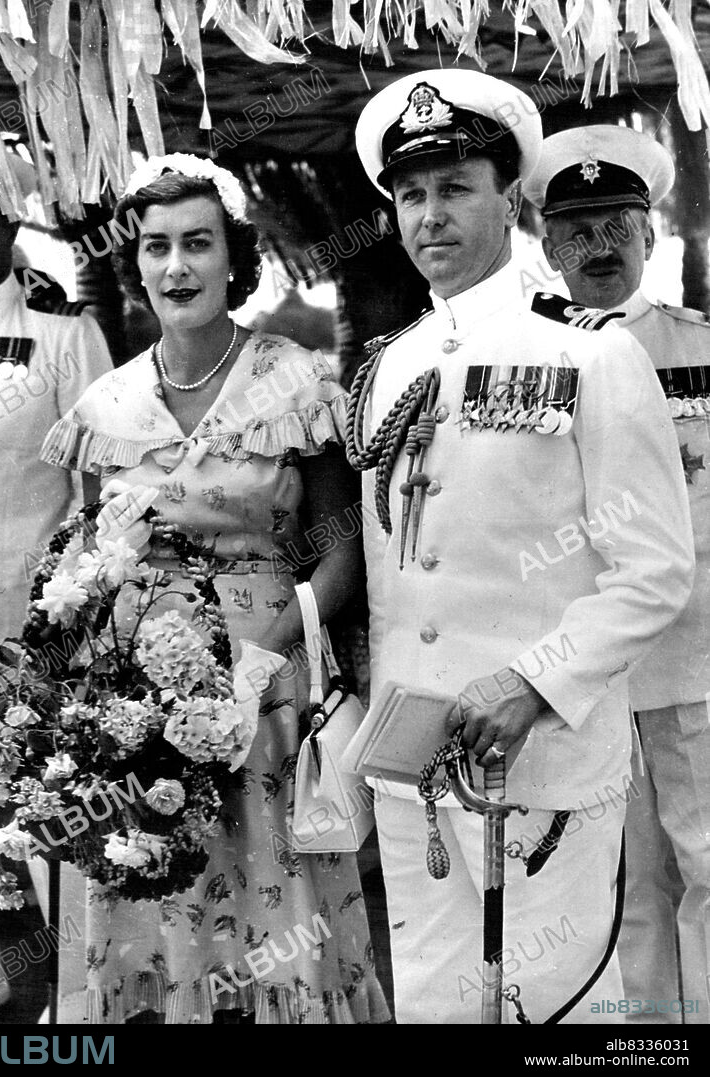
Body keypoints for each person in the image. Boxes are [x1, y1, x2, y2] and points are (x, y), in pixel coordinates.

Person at [347, 70, 695, 1024]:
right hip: (414, 756)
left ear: (508, 201)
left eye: (454, 188)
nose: (430, 215)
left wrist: (534, 681)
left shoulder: (589, 354)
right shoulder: (390, 365)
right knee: (436, 1002)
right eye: (410, 195)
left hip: (538, 752)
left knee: (555, 1008)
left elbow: (653, 567)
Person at [40, 154, 388, 1024]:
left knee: (279, 913)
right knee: (156, 891)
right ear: (137, 264)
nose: (175, 267)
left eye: (198, 244)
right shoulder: (105, 405)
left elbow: (342, 550)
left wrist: (260, 668)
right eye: (156, 247)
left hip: (269, 684)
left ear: (235, 258)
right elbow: (91, 565)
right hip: (142, 707)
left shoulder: (297, 380)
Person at [525, 124, 710, 1024]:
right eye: (577, 230)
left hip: (697, 657)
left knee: (708, 867)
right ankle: (641, 1035)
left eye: (617, 225)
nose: (599, 247)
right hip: (578, 671)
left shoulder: (699, 345)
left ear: (650, 233)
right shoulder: (523, 361)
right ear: (546, 245)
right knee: (614, 879)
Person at [0, 155, 112, 1024]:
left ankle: (82, 993)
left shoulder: (60, 330)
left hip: (28, 618)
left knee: (55, 806)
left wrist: (72, 607)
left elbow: (97, 489)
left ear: (11, 221)